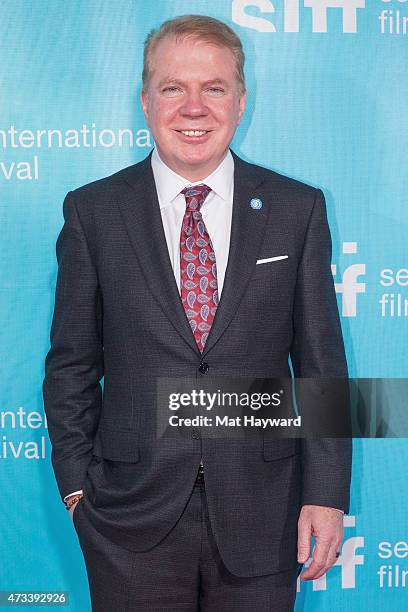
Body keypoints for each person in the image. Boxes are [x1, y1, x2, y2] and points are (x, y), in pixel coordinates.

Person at [43, 14, 351, 611]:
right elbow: (71, 367)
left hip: (265, 514)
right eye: (172, 87)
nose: (193, 107)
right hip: (127, 519)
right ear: (144, 100)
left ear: (240, 101)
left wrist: (326, 494)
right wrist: (79, 491)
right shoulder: (93, 213)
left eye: (213, 88)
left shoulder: (296, 208)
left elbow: (321, 367)